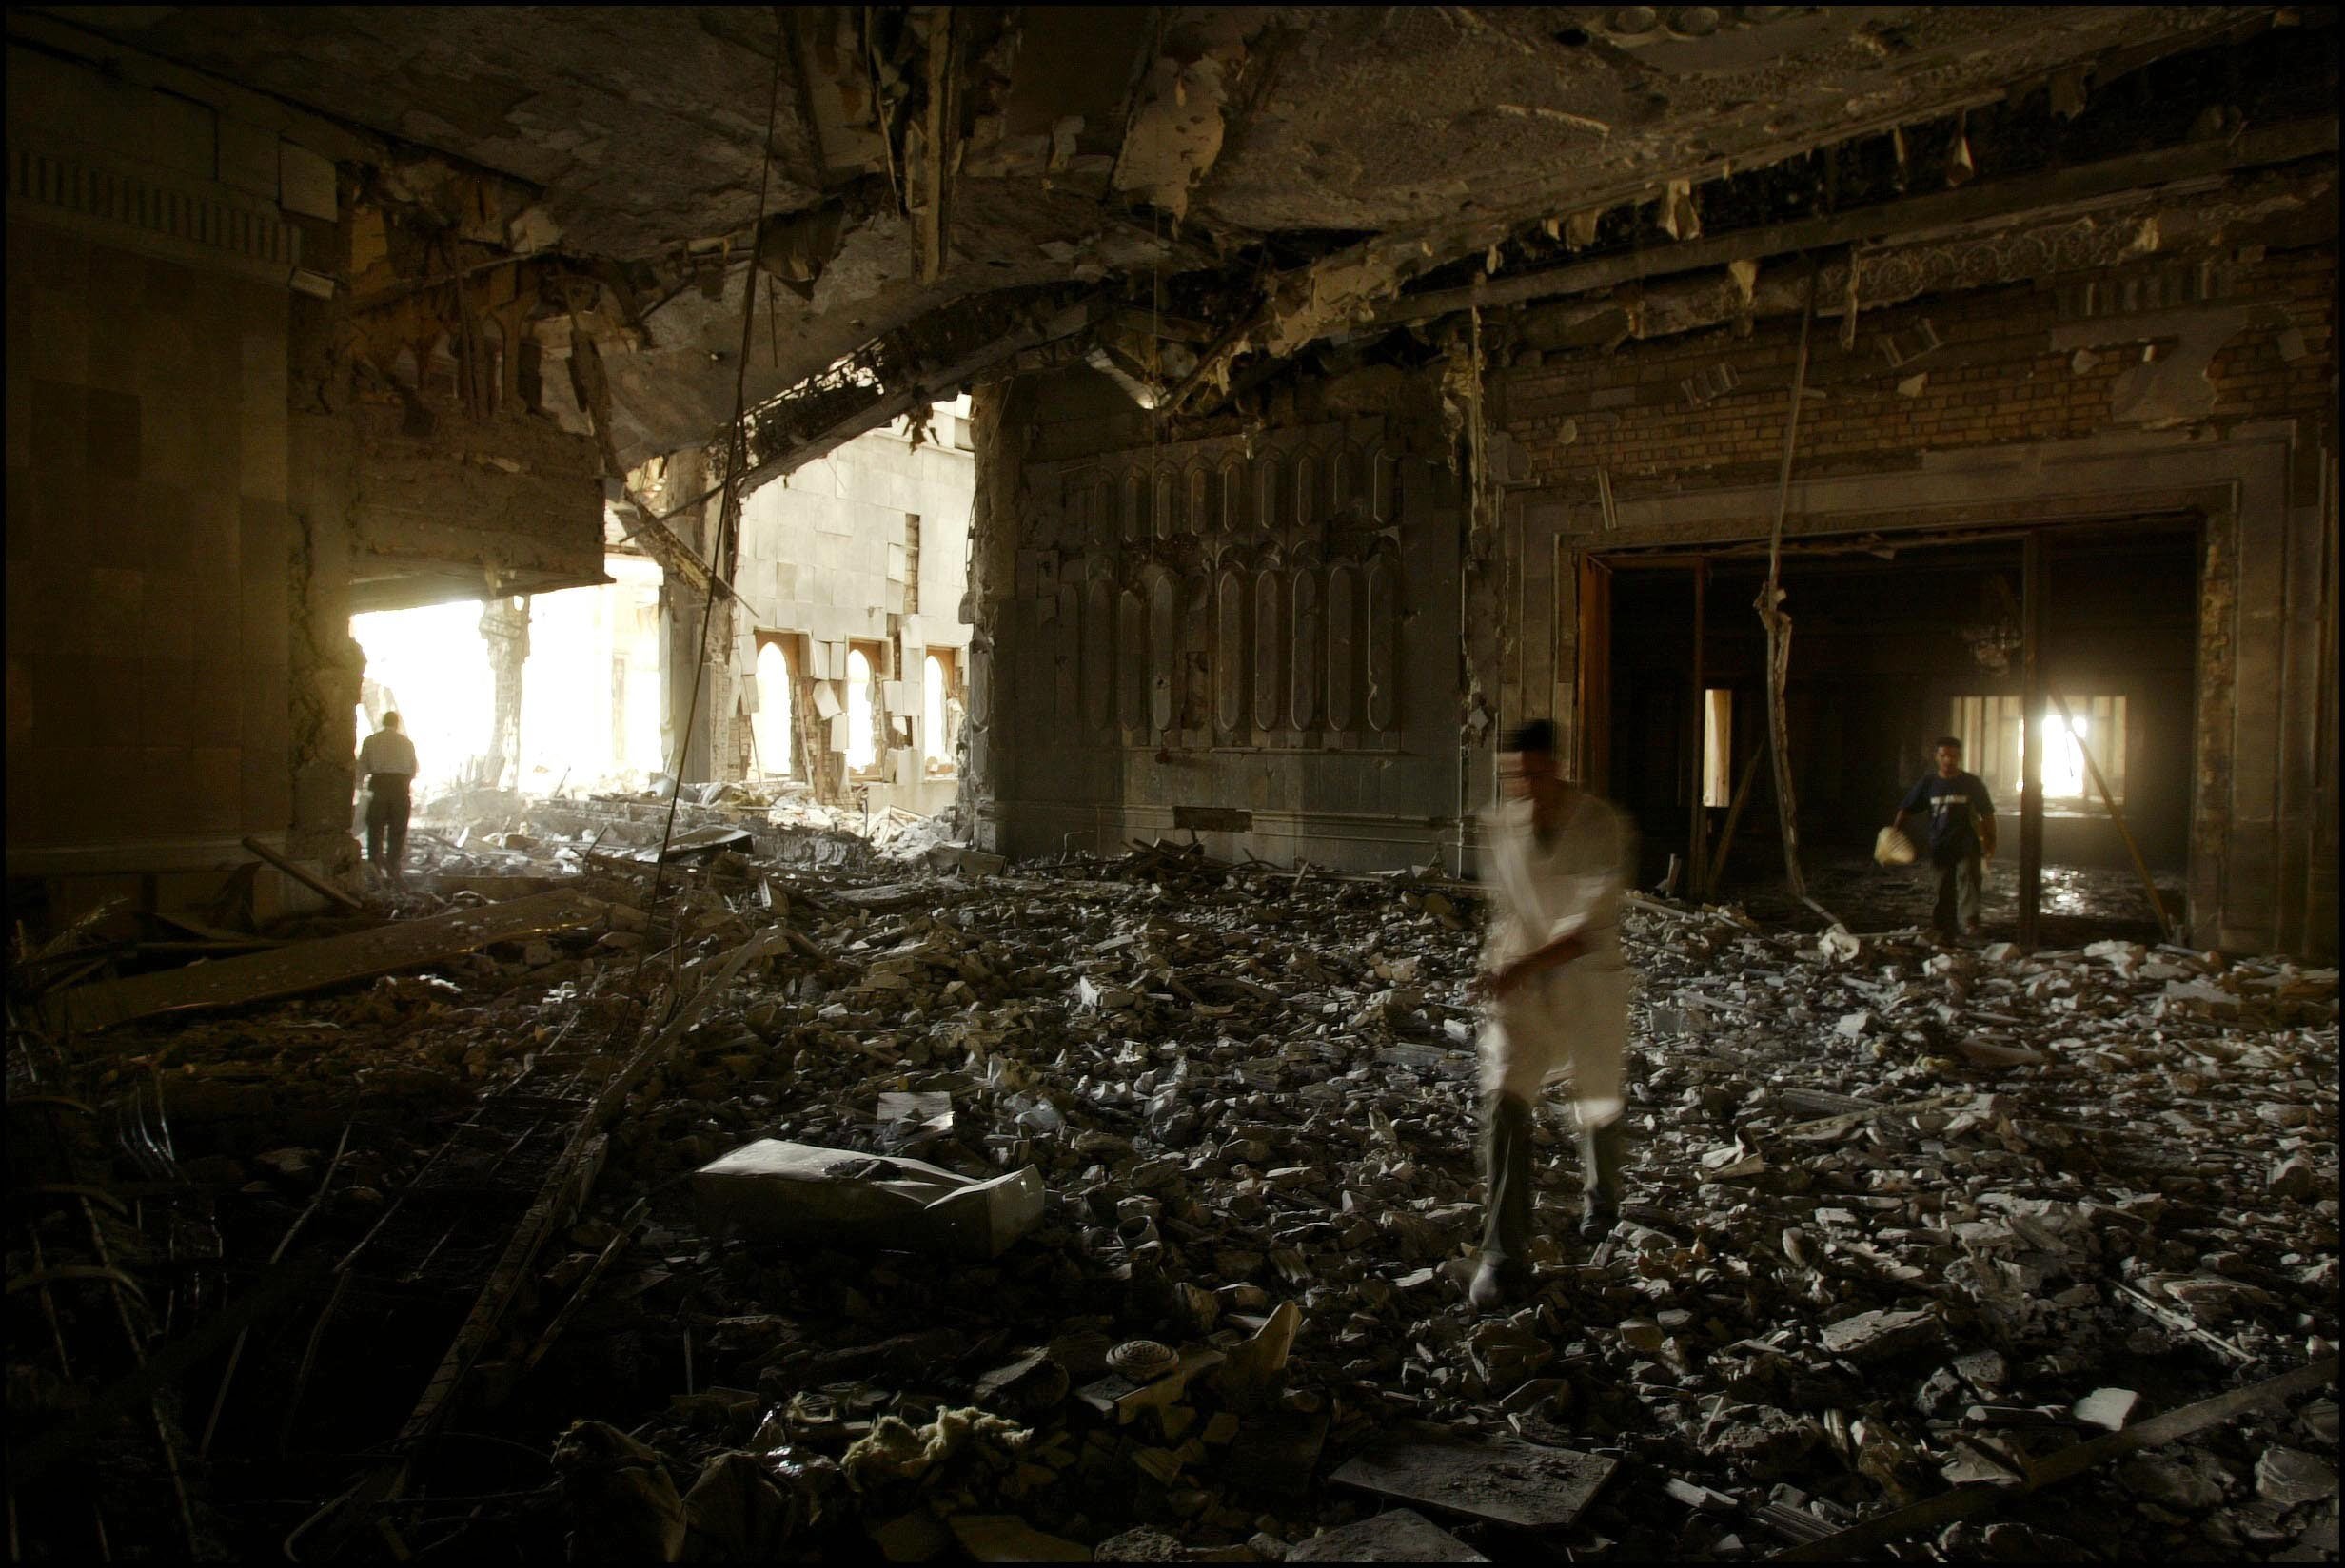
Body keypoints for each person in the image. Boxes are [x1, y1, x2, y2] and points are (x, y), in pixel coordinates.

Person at [1468, 720, 1638, 1311]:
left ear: (1556, 769)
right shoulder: (1501, 827)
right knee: (1507, 1096)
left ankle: (1602, 1202)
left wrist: (1522, 965)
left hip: (1589, 980)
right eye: (1515, 775)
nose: (1525, 787)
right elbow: (1509, 909)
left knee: (1595, 1094)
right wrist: (1502, 969)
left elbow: (1586, 928)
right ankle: (1503, 1253)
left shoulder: (1598, 825)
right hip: (1525, 979)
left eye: (1536, 774)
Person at [1891, 735, 1997, 943]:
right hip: (1940, 844)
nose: (1948, 760)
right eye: (1944, 755)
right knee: (1942, 887)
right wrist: (1894, 833)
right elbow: (1907, 809)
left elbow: (1987, 813)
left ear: (1959, 757)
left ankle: (1970, 924)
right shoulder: (1928, 784)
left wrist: (1991, 840)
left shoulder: (1971, 783)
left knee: (1969, 881)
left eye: (1953, 756)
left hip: (1967, 843)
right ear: (1936, 757)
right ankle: (1943, 927)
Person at [359, 712, 419, 885]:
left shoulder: (370, 741)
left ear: (382, 722)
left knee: (375, 828)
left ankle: (374, 869)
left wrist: (358, 790)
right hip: (400, 787)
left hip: (379, 785)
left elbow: (362, 766)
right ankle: (393, 868)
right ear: (397, 723)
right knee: (397, 830)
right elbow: (413, 769)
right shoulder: (407, 743)